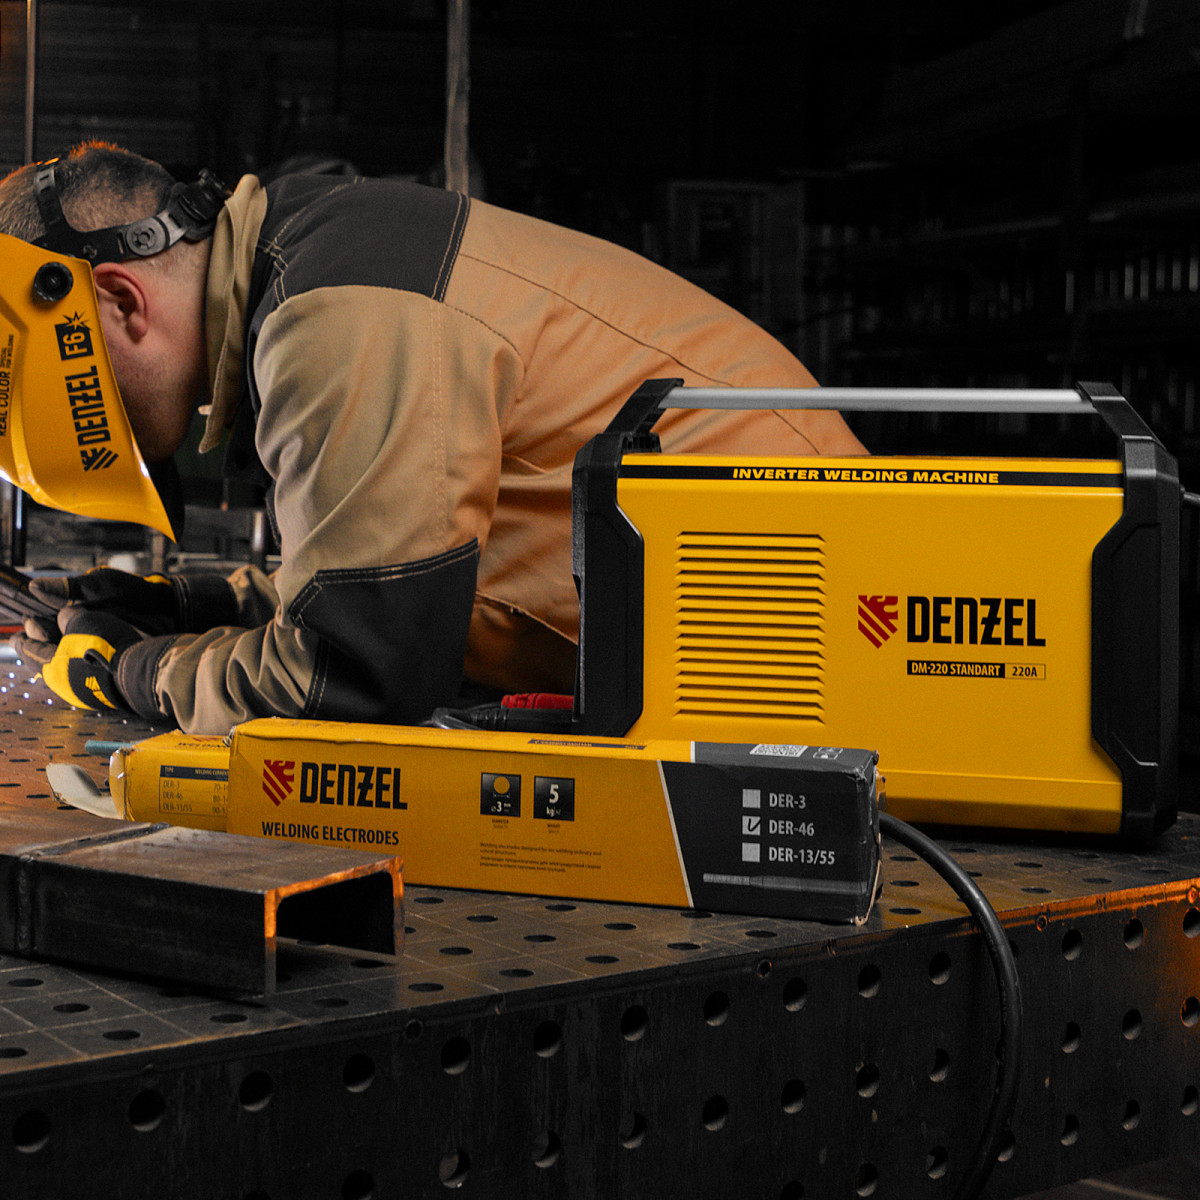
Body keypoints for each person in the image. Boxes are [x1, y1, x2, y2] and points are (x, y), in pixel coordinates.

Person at [0, 140, 866, 735]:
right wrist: (195, 606)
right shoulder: (309, 263)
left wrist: (139, 673)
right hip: (765, 664)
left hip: (819, 660)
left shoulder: (336, 314)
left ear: (120, 302)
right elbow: (405, 583)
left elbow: (357, 675)